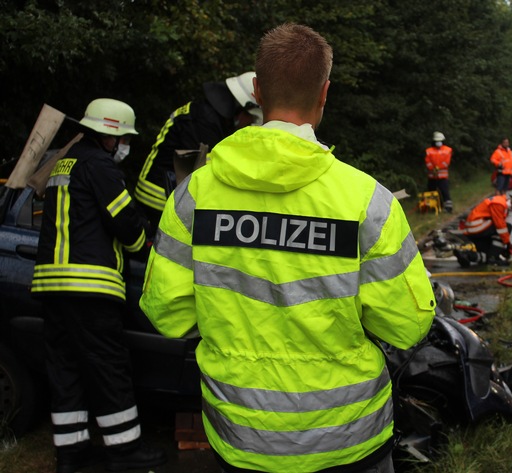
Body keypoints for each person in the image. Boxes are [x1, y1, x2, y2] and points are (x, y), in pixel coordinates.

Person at [139, 23, 436, 473]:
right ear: (325, 93)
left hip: (242, 437)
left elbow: (167, 313)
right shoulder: (366, 201)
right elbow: (406, 325)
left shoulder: (193, 196)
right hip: (351, 438)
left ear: (257, 91)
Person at [30, 99, 166, 473]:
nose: (124, 144)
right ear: (109, 135)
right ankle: (125, 451)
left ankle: (71, 454)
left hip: (52, 286)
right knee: (109, 368)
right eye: (122, 137)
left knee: (66, 369)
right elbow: (124, 221)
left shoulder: (64, 161)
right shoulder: (100, 166)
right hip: (89, 286)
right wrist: (144, 247)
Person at [135, 72, 261, 234]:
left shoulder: (209, 115)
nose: (250, 123)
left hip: (164, 195)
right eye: (250, 118)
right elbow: (202, 169)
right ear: (241, 107)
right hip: (159, 199)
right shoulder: (205, 121)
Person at [455, 193, 512, 267]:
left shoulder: (501, 202)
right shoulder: (499, 204)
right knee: (507, 227)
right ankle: (493, 258)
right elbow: (501, 227)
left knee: (487, 255)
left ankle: (466, 255)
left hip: (477, 229)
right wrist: (508, 244)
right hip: (476, 228)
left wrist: (504, 249)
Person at [424, 131, 453, 212]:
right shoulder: (429, 150)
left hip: (443, 177)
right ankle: (433, 207)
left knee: (445, 192)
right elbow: (428, 161)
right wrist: (432, 168)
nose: (438, 142)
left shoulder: (448, 150)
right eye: (437, 141)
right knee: (432, 191)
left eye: (440, 141)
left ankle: (448, 208)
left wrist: (437, 167)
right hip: (432, 176)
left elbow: (446, 162)